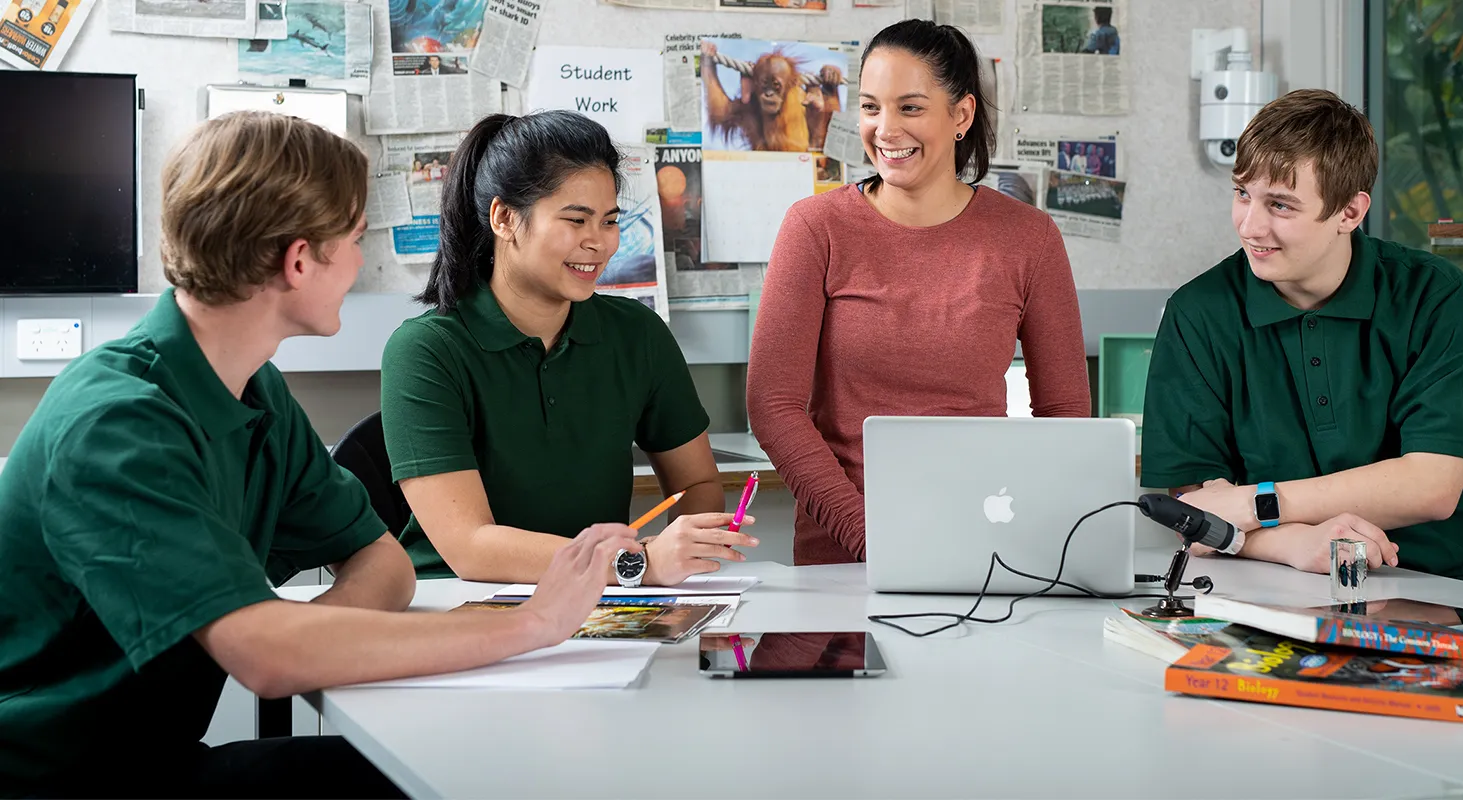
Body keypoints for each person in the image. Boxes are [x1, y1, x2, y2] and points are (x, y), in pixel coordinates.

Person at [0, 111, 643, 799]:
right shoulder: (117, 424)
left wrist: (307, 635)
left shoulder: (253, 390)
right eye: (356, 240)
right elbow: (267, 660)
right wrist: (533, 625)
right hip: (52, 782)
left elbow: (383, 564)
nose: (363, 262)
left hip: (153, 762)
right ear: (300, 260)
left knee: (471, 773)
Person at [1141, 89, 1463, 607]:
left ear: (1350, 211)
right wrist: (1293, 543)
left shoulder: (1432, 294)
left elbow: (1431, 485)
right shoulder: (1198, 312)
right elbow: (1193, 511)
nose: (1250, 226)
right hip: (1298, 590)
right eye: (1243, 193)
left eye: (1281, 205)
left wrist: (1259, 505)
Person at [747, 19, 1091, 566]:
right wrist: (870, 538)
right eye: (870, 107)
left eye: (909, 108)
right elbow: (773, 405)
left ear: (961, 115)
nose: (885, 129)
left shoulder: (1029, 237)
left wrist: (1029, 526)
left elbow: (1065, 413)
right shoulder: (816, 227)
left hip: (988, 542)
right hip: (844, 553)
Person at [381, 110, 752, 585]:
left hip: (602, 602)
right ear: (505, 219)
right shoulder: (425, 352)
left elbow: (698, 484)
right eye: (576, 220)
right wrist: (637, 563)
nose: (598, 243)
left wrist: (678, 553)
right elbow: (470, 547)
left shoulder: (637, 334)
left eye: (610, 221)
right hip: (460, 606)